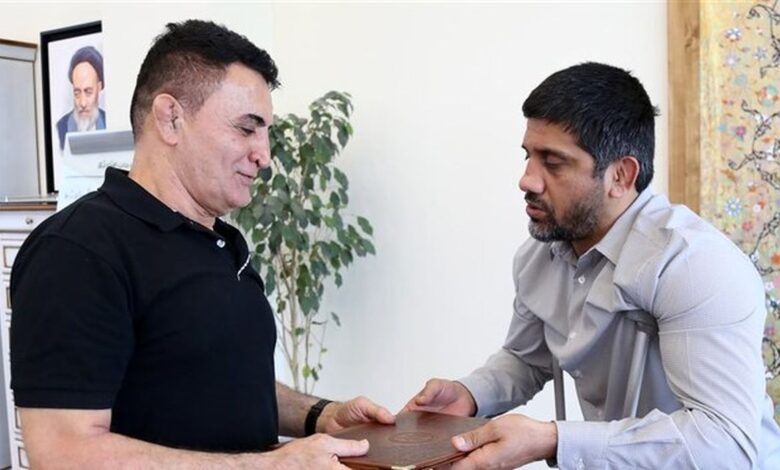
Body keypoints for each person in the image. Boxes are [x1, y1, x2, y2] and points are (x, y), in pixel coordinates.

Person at [11, 20, 394, 469]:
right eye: (247, 128)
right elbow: (63, 454)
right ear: (171, 118)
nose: (264, 155)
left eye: (266, 132)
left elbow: (216, 378)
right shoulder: (76, 252)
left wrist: (320, 415)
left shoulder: (222, 244)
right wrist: (273, 466)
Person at [405, 62, 780, 468]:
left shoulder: (694, 266)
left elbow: (725, 445)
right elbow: (526, 359)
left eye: (553, 162)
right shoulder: (539, 257)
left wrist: (554, 440)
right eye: (529, 156)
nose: (527, 180)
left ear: (621, 175)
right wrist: (470, 394)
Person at [56, 45, 107, 151]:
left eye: (88, 92)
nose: (82, 103)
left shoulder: (109, 121)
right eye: (77, 93)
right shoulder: (61, 127)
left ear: (99, 87)